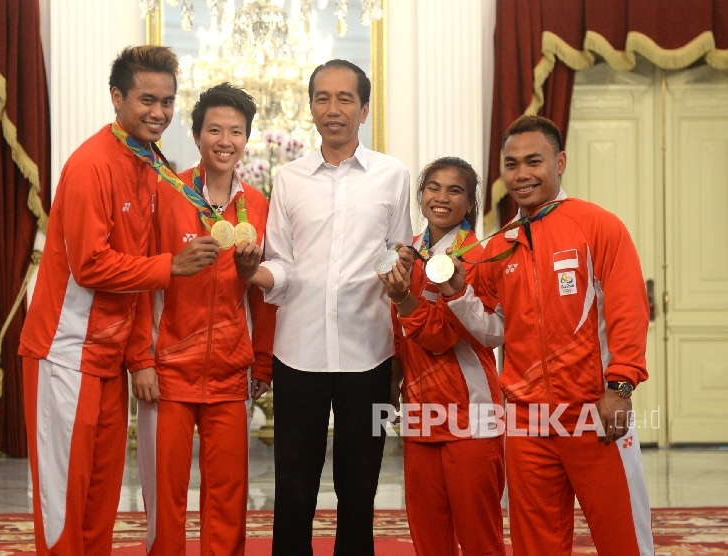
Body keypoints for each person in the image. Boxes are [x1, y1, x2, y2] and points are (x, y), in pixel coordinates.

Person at [18, 45, 220, 556]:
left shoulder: (148, 161)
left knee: (101, 496)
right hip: (64, 352)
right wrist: (170, 266)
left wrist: (137, 357)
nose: (159, 112)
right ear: (117, 97)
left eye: (168, 101)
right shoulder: (90, 164)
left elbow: (133, 275)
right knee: (65, 497)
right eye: (146, 100)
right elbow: (90, 265)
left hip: (108, 357)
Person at [442, 115, 654, 555]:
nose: (522, 174)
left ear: (559, 162)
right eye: (512, 164)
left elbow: (628, 311)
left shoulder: (597, 226)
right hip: (527, 421)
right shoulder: (499, 245)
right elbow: (491, 330)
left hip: (594, 411)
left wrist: (620, 385)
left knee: (622, 539)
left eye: (533, 161)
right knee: (536, 544)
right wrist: (457, 292)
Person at [242, 59, 412, 556]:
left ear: (363, 109)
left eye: (344, 99)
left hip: (370, 352)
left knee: (359, 487)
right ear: (311, 107)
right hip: (299, 354)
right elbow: (284, 264)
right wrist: (250, 272)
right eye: (322, 98)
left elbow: (398, 251)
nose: (333, 109)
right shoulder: (290, 180)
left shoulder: (392, 176)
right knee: (294, 486)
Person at [130, 82, 276, 555]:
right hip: (168, 371)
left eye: (235, 131)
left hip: (230, 372)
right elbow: (141, 282)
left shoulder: (257, 205)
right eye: (214, 129)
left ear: (246, 140)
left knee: (228, 494)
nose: (225, 140)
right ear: (196, 135)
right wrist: (140, 359)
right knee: (165, 493)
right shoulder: (167, 194)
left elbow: (262, 294)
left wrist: (263, 361)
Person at [379, 157, 505, 555]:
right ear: (421, 196)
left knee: (478, 536)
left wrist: (402, 299)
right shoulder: (409, 252)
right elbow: (398, 332)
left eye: (455, 190)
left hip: (472, 414)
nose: (441, 197)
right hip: (421, 412)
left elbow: (440, 337)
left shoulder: (478, 257)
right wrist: (393, 385)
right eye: (433, 187)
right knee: (428, 536)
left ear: (470, 204)